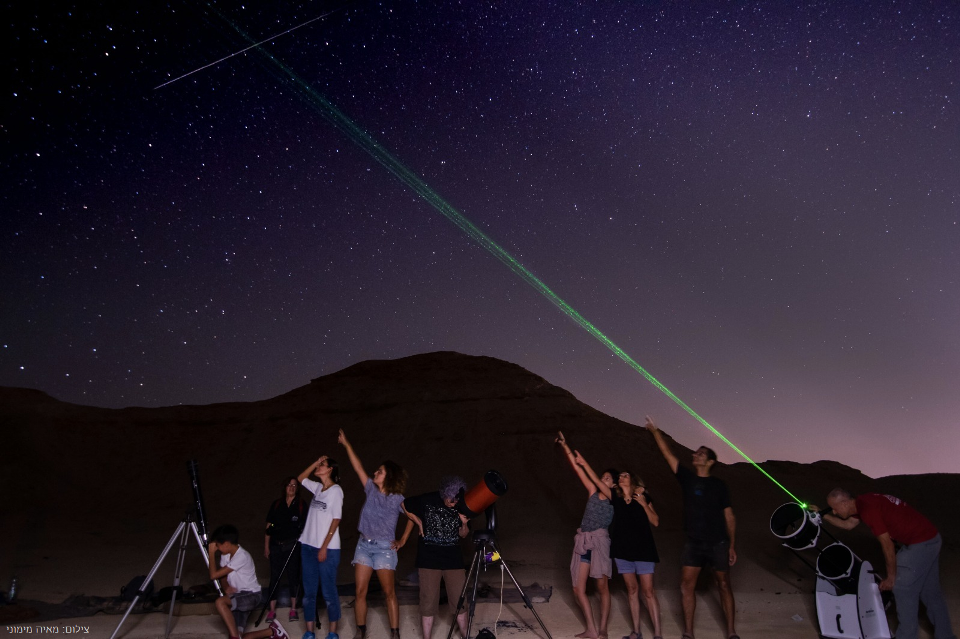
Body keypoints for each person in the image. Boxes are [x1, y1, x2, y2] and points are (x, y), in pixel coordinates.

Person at [814, 489, 955, 639]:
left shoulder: (869, 510)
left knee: (903, 590)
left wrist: (891, 577)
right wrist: (824, 515)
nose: (834, 512)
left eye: (835, 508)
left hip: (921, 543)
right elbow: (848, 525)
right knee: (931, 594)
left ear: (844, 503)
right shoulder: (862, 503)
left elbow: (887, 545)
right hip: (932, 539)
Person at [646, 416, 737, 639]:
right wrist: (655, 431)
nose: (695, 455)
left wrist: (732, 545)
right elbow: (668, 455)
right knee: (686, 585)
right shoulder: (687, 478)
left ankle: (732, 632)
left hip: (718, 542)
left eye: (701, 453)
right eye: (696, 453)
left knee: (724, 584)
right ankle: (688, 633)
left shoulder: (719, 485)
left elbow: (729, 516)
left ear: (710, 462)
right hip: (694, 542)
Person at [338, 429, 415, 639]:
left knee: (389, 593)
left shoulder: (397, 498)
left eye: (379, 471)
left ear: (388, 476)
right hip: (364, 545)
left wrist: (403, 539)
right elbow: (358, 467)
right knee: (360, 592)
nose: (375, 473)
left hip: (384, 549)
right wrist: (347, 445)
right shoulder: (371, 489)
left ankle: (395, 633)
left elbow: (412, 516)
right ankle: (361, 632)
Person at [576, 452, 662, 639]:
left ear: (632, 480)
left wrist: (644, 504)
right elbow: (597, 483)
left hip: (644, 550)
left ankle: (657, 634)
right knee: (632, 590)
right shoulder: (616, 499)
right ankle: (636, 632)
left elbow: (655, 521)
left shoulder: (643, 496)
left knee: (648, 592)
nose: (621, 477)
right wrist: (584, 463)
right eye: (620, 476)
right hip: (622, 551)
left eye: (625, 475)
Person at [555, 431, 613, 639]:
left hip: (599, 542)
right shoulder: (592, 492)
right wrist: (566, 447)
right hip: (584, 542)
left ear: (612, 485)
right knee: (577, 589)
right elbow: (578, 470)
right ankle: (591, 628)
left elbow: (592, 476)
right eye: (603, 477)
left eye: (607, 478)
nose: (603, 480)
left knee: (601, 586)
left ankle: (603, 629)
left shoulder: (609, 496)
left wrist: (586, 462)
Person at [401, 476, 470, 639]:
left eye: (456, 501)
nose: (453, 504)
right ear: (444, 494)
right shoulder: (427, 499)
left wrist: (464, 523)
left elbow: (464, 535)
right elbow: (404, 504)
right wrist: (417, 521)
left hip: (453, 560)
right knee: (428, 601)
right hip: (428, 559)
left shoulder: (461, 506)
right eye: (450, 500)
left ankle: (466, 635)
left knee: (460, 600)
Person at [208, 524, 290, 639]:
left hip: (251, 596)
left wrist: (210, 554)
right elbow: (222, 576)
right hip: (238, 596)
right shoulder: (225, 555)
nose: (216, 549)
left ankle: (234, 637)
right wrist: (227, 588)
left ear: (226, 544)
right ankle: (272, 631)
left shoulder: (241, 556)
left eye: (217, 545)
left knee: (220, 602)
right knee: (239, 636)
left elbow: (213, 575)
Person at [298, 455, 344, 639]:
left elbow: (336, 519)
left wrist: (324, 546)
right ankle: (309, 632)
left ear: (330, 469)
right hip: (308, 546)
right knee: (308, 592)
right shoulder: (318, 488)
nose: (318, 468)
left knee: (328, 591)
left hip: (328, 549)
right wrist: (315, 463)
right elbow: (301, 479)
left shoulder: (336, 491)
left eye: (322, 465)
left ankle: (333, 633)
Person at [265, 476, 307, 623]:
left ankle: (293, 609)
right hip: (276, 545)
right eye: (289, 485)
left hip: (293, 545)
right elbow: (268, 527)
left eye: (294, 485)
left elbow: (306, 528)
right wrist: (266, 546)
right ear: (285, 487)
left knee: (293, 576)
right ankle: (271, 610)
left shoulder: (301, 505)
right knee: (274, 576)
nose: (291, 487)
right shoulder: (276, 504)